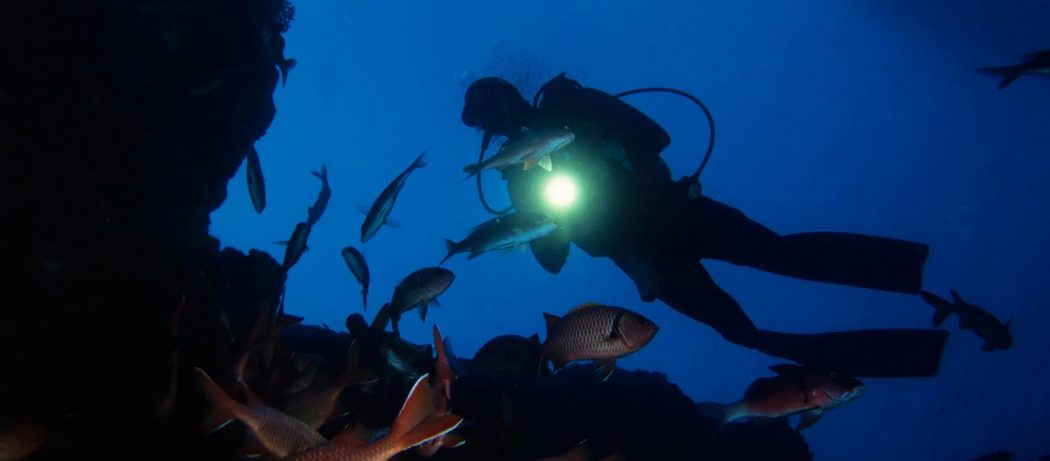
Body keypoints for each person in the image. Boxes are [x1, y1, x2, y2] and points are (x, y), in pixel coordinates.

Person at [460, 73, 952, 378]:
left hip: (678, 211)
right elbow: (552, 260)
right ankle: (892, 358)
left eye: (496, 108)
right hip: (645, 257)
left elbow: (657, 135)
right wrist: (559, 222)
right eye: (490, 121)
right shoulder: (517, 178)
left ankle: (909, 270)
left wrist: (598, 140)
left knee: (778, 254)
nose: (500, 123)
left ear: (511, 95)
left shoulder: (572, 107)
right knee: (740, 330)